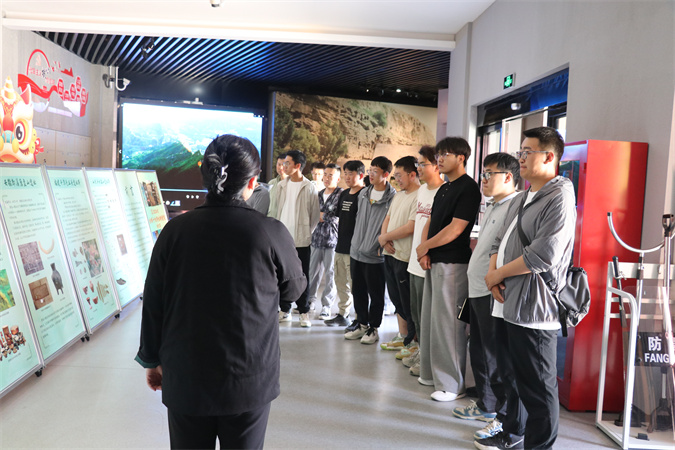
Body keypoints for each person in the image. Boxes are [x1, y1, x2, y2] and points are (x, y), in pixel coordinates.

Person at [135, 134, 306, 450]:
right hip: (248, 378)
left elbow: (154, 300)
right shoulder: (270, 232)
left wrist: (151, 358)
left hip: (186, 375)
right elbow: (294, 289)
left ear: (205, 176)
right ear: (252, 181)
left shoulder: (174, 231)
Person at [477, 127, 576, 450]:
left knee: (538, 389)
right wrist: (493, 273)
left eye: (526, 152)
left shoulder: (560, 197)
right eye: (520, 152)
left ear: (548, 157)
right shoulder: (523, 196)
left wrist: (497, 275)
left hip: (534, 308)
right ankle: (513, 432)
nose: (520, 158)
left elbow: (543, 256)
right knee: (513, 377)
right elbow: (498, 240)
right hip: (507, 301)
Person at [452, 153, 519, 440]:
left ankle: (499, 412)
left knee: (495, 354)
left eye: (490, 173)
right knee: (479, 350)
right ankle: (486, 403)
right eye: (483, 173)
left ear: (508, 177)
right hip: (478, 289)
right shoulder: (493, 205)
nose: (484, 179)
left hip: (493, 291)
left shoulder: (515, 207)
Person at [415, 137, 481, 402]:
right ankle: (432, 374)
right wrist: (424, 250)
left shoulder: (468, 188)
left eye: (445, 154)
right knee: (431, 320)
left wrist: (425, 247)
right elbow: (431, 220)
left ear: (461, 158)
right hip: (434, 259)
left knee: (449, 325)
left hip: (454, 263)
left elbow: (456, 228)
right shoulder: (445, 187)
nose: (439, 159)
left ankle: (453, 385)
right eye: (438, 155)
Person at [401, 145, 445, 375]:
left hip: (427, 263)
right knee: (416, 314)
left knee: (428, 317)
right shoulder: (422, 191)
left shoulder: (443, 192)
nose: (418, 168)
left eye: (422, 164)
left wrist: (425, 252)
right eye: (417, 164)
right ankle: (420, 351)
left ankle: (428, 359)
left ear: (437, 166)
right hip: (413, 262)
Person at [345, 156, 396, 344]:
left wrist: (382, 244)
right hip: (356, 251)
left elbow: (393, 225)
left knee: (375, 294)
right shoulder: (364, 193)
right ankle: (362, 324)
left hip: (375, 255)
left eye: (375, 171)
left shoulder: (393, 198)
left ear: (386, 174)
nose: (371, 174)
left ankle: (374, 328)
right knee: (357, 291)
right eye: (370, 170)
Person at [269, 150, 320, 328]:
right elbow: (277, 209)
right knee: (282, 275)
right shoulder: (281, 186)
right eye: (283, 163)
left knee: (303, 276)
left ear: (298, 166)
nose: (283, 166)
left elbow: (315, 216)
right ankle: (285, 310)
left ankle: (304, 312)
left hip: (301, 240)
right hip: (282, 239)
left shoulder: (309, 187)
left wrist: (306, 232)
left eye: (287, 163)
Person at [378, 156, 420, 351]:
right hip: (390, 254)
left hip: (404, 255)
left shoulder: (419, 195)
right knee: (395, 298)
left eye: (399, 175)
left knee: (407, 301)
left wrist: (385, 238)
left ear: (412, 175)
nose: (396, 180)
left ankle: (412, 341)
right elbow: (387, 218)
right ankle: (403, 335)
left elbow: (411, 227)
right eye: (395, 176)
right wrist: (384, 238)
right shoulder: (399, 195)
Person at [324, 160, 366, 327]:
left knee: (356, 286)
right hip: (340, 246)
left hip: (355, 249)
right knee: (341, 283)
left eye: (351, 174)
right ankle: (343, 314)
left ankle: (360, 319)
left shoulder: (364, 195)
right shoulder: (345, 193)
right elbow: (339, 217)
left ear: (361, 175)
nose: (347, 177)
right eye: (345, 174)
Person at [308, 163, 343, 319]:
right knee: (313, 273)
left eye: (331, 175)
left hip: (332, 240)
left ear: (338, 178)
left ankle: (327, 306)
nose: (327, 178)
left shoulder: (341, 194)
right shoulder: (319, 193)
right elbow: (313, 214)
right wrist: (322, 215)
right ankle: (310, 301)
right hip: (316, 239)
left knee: (331, 274)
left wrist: (322, 215)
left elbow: (337, 217)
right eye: (325, 175)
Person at [267, 152, 288, 217]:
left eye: (283, 165)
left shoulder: (292, 184)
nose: (280, 167)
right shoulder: (271, 183)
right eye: (279, 164)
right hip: (270, 219)